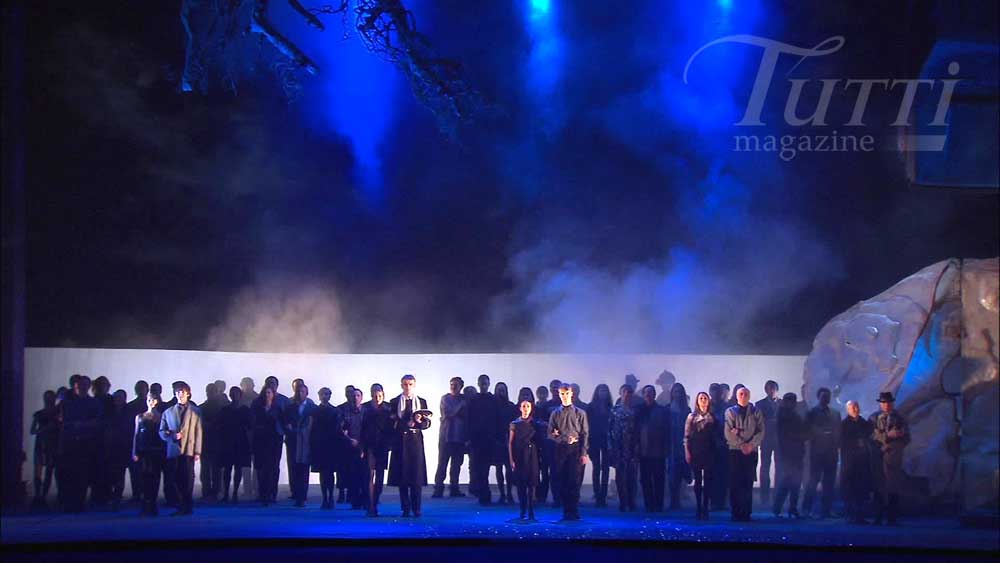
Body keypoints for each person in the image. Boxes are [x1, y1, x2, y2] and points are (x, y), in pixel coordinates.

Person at [387, 374, 431, 517]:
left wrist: (418, 422)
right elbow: (391, 423)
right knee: (402, 478)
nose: (408, 387)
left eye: (410, 384)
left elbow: (426, 424)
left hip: (415, 443)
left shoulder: (422, 402)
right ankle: (405, 508)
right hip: (400, 443)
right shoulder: (394, 402)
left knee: (416, 477)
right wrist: (404, 423)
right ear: (401, 385)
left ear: (414, 385)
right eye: (405, 384)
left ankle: (417, 508)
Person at [59, 375, 103, 512]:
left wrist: (81, 425)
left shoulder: (94, 403)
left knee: (83, 474)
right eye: (79, 385)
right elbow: (62, 422)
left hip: (87, 444)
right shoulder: (67, 404)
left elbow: (98, 422)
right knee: (69, 474)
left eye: (85, 385)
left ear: (89, 387)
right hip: (70, 444)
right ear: (75, 386)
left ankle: (79, 502)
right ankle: (68, 502)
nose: (81, 387)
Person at [158, 381, 203, 516]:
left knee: (188, 479)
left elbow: (199, 432)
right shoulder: (168, 412)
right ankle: (180, 504)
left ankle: (187, 505)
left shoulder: (195, 411)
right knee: (175, 479)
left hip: (189, 450)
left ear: (188, 394)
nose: (180, 394)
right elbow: (161, 431)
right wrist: (172, 435)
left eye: (182, 392)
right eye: (177, 392)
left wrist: (197, 451)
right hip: (174, 450)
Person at [547, 383, 589, 521]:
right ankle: (566, 510)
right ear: (559, 395)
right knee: (563, 480)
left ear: (572, 394)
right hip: (561, 449)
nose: (564, 397)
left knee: (574, 480)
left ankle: (574, 509)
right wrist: (563, 437)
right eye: (562, 394)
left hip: (575, 450)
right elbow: (550, 433)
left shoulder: (580, 413)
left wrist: (583, 453)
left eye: (567, 394)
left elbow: (585, 434)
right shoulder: (555, 413)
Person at [724, 386, 764, 522]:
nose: (743, 396)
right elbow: (728, 431)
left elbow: (760, 431)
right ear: (736, 396)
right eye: (741, 394)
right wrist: (741, 444)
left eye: (746, 394)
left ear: (749, 396)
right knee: (735, 483)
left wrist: (751, 444)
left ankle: (746, 512)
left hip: (751, 452)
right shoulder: (730, 411)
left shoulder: (756, 411)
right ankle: (736, 512)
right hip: (735, 452)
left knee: (747, 483)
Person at [802, 387, 841, 519]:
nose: (826, 398)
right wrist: (821, 434)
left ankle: (827, 510)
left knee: (829, 483)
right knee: (813, 482)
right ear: (819, 397)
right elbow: (807, 430)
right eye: (823, 396)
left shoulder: (835, 413)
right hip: (817, 453)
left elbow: (839, 431)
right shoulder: (812, 412)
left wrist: (835, 441)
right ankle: (806, 509)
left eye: (828, 396)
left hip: (831, 453)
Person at [872, 392, 909, 525]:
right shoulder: (874, 417)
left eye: (888, 403)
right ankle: (878, 516)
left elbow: (906, 437)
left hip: (893, 456)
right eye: (884, 403)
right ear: (880, 404)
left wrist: (896, 445)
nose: (886, 405)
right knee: (879, 486)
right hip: (877, 457)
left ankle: (892, 517)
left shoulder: (899, 418)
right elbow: (872, 435)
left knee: (893, 486)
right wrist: (887, 436)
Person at [772, 392, 807, 518]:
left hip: (794, 453)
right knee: (789, 481)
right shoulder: (785, 416)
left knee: (792, 482)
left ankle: (786, 507)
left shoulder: (788, 415)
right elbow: (788, 435)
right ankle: (783, 507)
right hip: (789, 454)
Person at [635, 385, 669, 512]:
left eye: (651, 393)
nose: (648, 395)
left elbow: (666, 430)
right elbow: (635, 430)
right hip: (643, 450)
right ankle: (649, 504)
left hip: (658, 449)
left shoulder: (662, 411)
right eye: (646, 393)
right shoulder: (639, 410)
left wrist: (666, 447)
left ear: (654, 395)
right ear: (643, 395)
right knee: (645, 479)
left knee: (659, 478)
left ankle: (658, 504)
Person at [361, 383, 393, 516]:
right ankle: (370, 504)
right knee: (369, 476)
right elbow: (361, 428)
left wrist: (390, 444)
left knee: (380, 476)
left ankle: (375, 500)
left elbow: (391, 428)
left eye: (379, 395)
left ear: (383, 395)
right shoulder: (365, 408)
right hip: (369, 446)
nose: (377, 397)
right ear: (371, 395)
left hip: (382, 446)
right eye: (374, 395)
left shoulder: (388, 408)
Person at [685, 391, 717, 520]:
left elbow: (716, 436)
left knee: (708, 481)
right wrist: (687, 452)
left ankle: (705, 507)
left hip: (709, 451)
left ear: (708, 401)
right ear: (697, 401)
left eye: (705, 398)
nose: (703, 400)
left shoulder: (713, 417)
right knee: (697, 480)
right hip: (696, 451)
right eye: (701, 398)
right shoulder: (691, 417)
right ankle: (698, 507)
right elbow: (686, 436)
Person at [433, 377, 467, 498]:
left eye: (456, 385)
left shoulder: (464, 399)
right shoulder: (445, 398)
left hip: (459, 437)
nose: (453, 386)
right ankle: (438, 489)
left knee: (456, 465)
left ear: (461, 386)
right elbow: (448, 413)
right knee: (442, 463)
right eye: (451, 384)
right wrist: (460, 406)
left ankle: (454, 488)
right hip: (446, 436)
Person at [132, 393, 166, 516]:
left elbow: (163, 436)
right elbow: (136, 435)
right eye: (149, 400)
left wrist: (163, 450)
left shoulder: (161, 417)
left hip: (156, 452)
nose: (150, 402)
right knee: (143, 478)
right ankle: (145, 504)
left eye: (153, 400)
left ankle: (152, 504)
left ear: (157, 401)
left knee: (155, 478)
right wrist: (134, 451)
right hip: (143, 452)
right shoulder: (139, 417)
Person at [840, 400, 873, 524]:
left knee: (861, 489)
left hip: (862, 461)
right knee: (849, 488)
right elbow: (841, 441)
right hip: (849, 461)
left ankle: (860, 516)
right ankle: (849, 515)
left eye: (856, 407)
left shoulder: (864, 422)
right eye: (852, 407)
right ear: (848, 409)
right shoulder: (844, 424)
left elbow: (870, 436)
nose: (855, 409)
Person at [217, 387, 252, 503]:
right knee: (227, 469)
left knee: (238, 469)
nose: (235, 396)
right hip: (228, 443)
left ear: (240, 396)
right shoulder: (225, 410)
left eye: (237, 394)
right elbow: (219, 427)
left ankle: (235, 492)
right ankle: (227, 492)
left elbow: (250, 426)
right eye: (233, 394)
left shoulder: (245, 410)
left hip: (240, 442)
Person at [310, 387, 343, 509]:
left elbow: (338, 429)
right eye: (322, 394)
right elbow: (312, 430)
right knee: (323, 474)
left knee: (330, 474)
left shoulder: (335, 411)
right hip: (319, 446)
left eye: (327, 394)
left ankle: (330, 498)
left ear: (330, 396)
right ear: (319, 396)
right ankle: (325, 498)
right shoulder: (315, 411)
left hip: (331, 446)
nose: (324, 396)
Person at [251, 386, 284, 506]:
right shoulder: (257, 408)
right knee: (261, 469)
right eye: (265, 393)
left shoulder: (278, 409)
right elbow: (253, 424)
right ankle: (263, 494)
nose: (267, 395)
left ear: (273, 394)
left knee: (274, 468)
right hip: (261, 441)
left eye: (269, 393)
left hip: (275, 442)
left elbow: (282, 424)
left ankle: (272, 494)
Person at [509, 398, 541, 521]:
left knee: (531, 484)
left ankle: (531, 510)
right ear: (520, 408)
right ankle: (522, 509)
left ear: (531, 408)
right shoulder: (514, 424)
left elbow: (540, 440)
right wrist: (511, 459)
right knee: (521, 484)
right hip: (519, 454)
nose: (526, 409)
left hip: (532, 455)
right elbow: (510, 443)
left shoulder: (535, 423)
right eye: (523, 406)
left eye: (528, 406)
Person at [468, 374, 498, 505]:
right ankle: (483, 495)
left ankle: (485, 495)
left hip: (489, 439)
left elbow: (497, 419)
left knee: (484, 468)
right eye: (482, 383)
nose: (484, 385)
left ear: (489, 384)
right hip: (477, 439)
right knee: (478, 468)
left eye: (485, 383)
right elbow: (468, 419)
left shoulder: (493, 400)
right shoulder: (474, 400)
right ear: (479, 384)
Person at [608, 384, 638, 512]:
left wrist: (638, 446)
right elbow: (609, 430)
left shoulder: (635, 411)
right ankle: (623, 502)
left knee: (632, 476)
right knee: (620, 476)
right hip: (618, 447)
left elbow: (639, 430)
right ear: (620, 393)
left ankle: (631, 501)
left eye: (629, 392)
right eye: (625, 392)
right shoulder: (614, 410)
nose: (627, 395)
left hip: (631, 447)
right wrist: (610, 447)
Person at [285, 383, 315, 507]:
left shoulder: (312, 407)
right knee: (293, 467)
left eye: (302, 392)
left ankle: (302, 495)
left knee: (304, 468)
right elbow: (285, 422)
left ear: (307, 393)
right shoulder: (290, 407)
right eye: (298, 391)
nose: (300, 394)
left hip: (306, 442)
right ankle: (296, 493)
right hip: (293, 441)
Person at [538, 378, 564, 506]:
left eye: (557, 387)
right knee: (545, 471)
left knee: (557, 472)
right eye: (552, 387)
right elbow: (540, 422)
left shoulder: (566, 405)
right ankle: (542, 497)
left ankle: (557, 498)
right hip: (548, 443)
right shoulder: (545, 406)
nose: (555, 389)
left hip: (562, 444)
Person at [30, 390, 59, 505]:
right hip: (42, 443)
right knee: (39, 470)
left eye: (51, 398)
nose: (49, 400)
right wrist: (44, 429)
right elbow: (32, 430)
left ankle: (42, 495)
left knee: (48, 470)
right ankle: (38, 495)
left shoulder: (58, 413)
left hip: (51, 444)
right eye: (47, 398)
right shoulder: (39, 414)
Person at [107, 390, 134, 511]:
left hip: (124, 446)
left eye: (120, 398)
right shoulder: (109, 412)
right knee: (112, 473)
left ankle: (117, 496)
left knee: (120, 473)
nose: (118, 400)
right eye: (116, 398)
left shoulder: (128, 412)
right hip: (111, 446)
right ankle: (113, 495)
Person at [198, 383, 226, 501]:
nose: (210, 394)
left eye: (212, 392)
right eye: (209, 392)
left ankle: (213, 491)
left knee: (215, 469)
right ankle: (208, 492)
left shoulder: (221, 408)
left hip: (216, 441)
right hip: (207, 441)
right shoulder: (203, 407)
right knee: (206, 469)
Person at [586, 384, 612, 507]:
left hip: (607, 440)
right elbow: (587, 425)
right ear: (597, 392)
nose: (603, 393)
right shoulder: (591, 407)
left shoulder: (610, 407)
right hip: (594, 439)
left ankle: (603, 495)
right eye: (601, 390)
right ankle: (597, 494)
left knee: (605, 468)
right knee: (596, 467)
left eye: (605, 391)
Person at [341, 387, 367, 509]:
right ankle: (354, 501)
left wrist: (362, 445)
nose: (355, 398)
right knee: (352, 475)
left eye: (358, 395)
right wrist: (350, 440)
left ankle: (365, 500)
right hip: (350, 447)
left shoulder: (366, 412)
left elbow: (369, 430)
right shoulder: (345, 412)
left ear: (361, 398)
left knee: (364, 475)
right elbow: (342, 429)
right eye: (353, 396)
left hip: (364, 448)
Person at [667, 382, 692, 510]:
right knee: (672, 473)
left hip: (684, 444)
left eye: (679, 392)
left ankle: (681, 497)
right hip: (671, 444)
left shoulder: (687, 410)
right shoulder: (667, 409)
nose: (677, 394)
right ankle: (674, 500)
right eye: (675, 391)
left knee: (684, 472)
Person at [755, 380, 780, 504]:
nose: (771, 391)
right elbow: (758, 422)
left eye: (773, 388)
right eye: (768, 389)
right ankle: (764, 495)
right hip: (766, 439)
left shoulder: (782, 403)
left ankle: (778, 494)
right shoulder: (759, 404)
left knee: (780, 467)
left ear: (777, 389)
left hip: (780, 440)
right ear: (765, 390)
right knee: (765, 467)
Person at [493, 382, 518, 503]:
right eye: (498, 390)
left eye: (502, 390)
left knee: (509, 468)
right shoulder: (492, 406)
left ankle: (509, 493)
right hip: (497, 440)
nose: (500, 392)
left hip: (509, 440)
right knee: (498, 468)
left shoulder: (511, 406)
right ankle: (502, 494)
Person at [124, 380, 149, 502]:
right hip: (135, 441)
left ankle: (144, 493)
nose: (141, 391)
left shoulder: (149, 405)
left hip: (147, 443)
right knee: (135, 470)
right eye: (140, 388)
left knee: (146, 470)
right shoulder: (130, 406)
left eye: (143, 388)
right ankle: (137, 494)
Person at [708, 383, 729, 510]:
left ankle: (721, 501)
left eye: (718, 391)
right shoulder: (706, 406)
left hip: (724, 445)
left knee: (723, 474)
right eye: (713, 391)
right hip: (709, 445)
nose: (716, 393)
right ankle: (712, 501)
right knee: (711, 474)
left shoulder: (727, 407)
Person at [335, 384, 357, 504]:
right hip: (343, 444)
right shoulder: (340, 408)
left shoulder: (359, 408)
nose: (350, 395)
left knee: (353, 469)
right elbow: (338, 426)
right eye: (348, 392)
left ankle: (351, 493)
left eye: (352, 393)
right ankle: (342, 493)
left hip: (356, 443)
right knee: (342, 470)